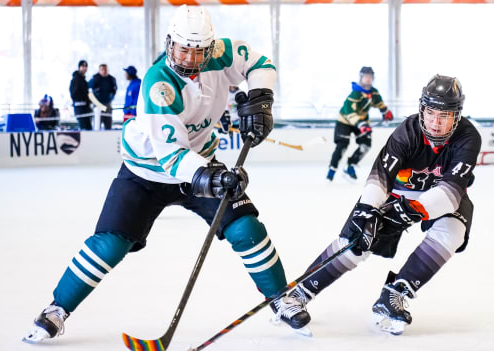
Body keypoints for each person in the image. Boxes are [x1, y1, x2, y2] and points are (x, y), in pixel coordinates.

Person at [23, 5, 309, 345]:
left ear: (210, 47)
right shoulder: (158, 84)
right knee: (110, 243)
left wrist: (261, 99)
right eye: (181, 48)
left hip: (202, 160)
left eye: (197, 50)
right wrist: (213, 178)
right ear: (168, 42)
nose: (188, 57)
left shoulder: (223, 53)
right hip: (146, 172)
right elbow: (172, 158)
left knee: (245, 226)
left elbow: (261, 64)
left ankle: (280, 297)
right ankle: (57, 309)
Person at [287, 75, 481, 335]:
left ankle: (394, 294)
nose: (436, 122)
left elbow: (450, 192)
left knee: (454, 230)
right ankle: (297, 293)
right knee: (357, 241)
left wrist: (412, 212)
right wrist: (367, 212)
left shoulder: (468, 137)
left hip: (439, 197)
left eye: (444, 115)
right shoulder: (406, 132)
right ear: (422, 109)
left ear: (456, 116)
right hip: (399, 193)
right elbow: (380, 177)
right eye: (431, 112)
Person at [327, 66, 393, 182]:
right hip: (345, 122)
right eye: (366, 77)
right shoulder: (355, 94)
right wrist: (361, 124)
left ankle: (350, 165)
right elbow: (349, 112)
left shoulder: (373, 92)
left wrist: (385, 112)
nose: (368, 79)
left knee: (365, 145)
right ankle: (331, 171)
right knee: (342, 145)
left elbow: (379, 103)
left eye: (370, 77)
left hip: (362, 122)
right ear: (361, 77)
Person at [88, 64, 117, 130]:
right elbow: (87, 90)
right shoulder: (94, 79)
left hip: (108, 105)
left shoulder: (112, 79)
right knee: (97, 125)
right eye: (102, 69)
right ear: (99, 71)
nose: (104, 71)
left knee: (108, 125)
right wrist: (93, 101)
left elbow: (114, 91)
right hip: (97, 105)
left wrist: (110, 99)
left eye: (105, 69)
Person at [69, 60, 93, 130]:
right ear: (79, 67)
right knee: (84, 128)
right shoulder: (76, 79)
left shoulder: (83, 80)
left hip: (85, 108)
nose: (84, 68)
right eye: (82, 66)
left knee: (88, 128)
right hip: (80, 108)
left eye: (85, 67)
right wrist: (85, 98)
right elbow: (74, 94)